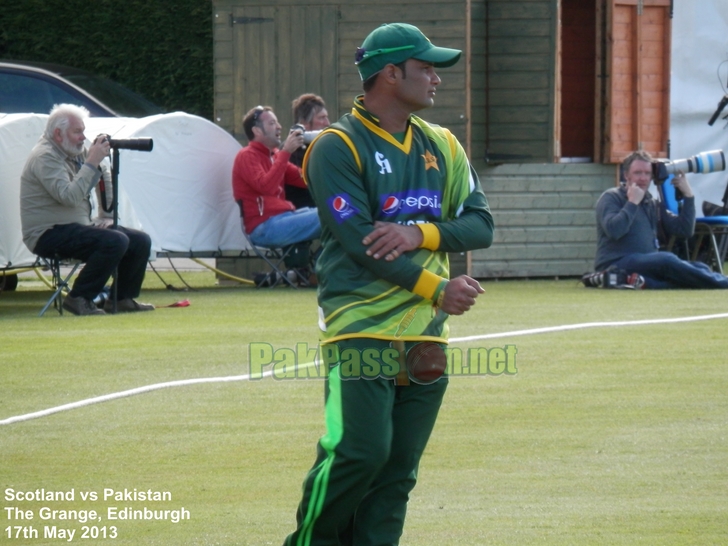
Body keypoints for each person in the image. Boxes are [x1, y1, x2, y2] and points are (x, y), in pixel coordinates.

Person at [282, 23, 494, 545]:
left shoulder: (443, 144)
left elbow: (480, 224)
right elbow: (359, 242)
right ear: (391, 74)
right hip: (359, 327)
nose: (435, 80)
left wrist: (416, 230)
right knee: (360, 452)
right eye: (426, 69)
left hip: (427, 333)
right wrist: (436, 288)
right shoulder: (335, 146)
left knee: (398, 471)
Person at [20, 103, 154, 316]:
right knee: (116, 240)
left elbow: (103, 174)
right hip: (47, 233)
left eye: (83, 130)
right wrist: (91, 161)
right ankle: (79, 298)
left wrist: (107, 216)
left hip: (76, 228)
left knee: (140, 240)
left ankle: (121, 298)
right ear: (58, 133)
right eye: (77, 131)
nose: (83, 137)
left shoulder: (74, 150)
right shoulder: (44, 157)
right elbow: (69, 197)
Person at [588, 150, 728, 289]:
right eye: (638, 173)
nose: (643, 178)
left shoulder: (651, 203)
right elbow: (614, 231)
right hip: (616, 262)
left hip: (647, 263)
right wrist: (632, 203)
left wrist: (688, 196)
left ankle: (647, 283)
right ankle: (724, 283)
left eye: (647, 173)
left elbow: (684, 231)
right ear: (626, 176)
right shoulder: (611, 197)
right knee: (666, 259)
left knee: (700, 266)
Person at [231, 106, 321, 249]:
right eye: (272, 123)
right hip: (263, 227)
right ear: (257, 131)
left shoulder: (275, 156)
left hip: (285, 218)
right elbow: (267, 187)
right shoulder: (247, 155)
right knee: (334, 215)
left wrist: (321, 153)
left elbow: (306, 180)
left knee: (341, 210)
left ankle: (318, 266)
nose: (279, 127)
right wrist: (285, 152)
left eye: (277, 122)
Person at [287, 93, 331, 209]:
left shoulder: (326, 147)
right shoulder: (291, 151)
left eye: (326, 117)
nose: (327, 123)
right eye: (321, 118)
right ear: (303, 124)